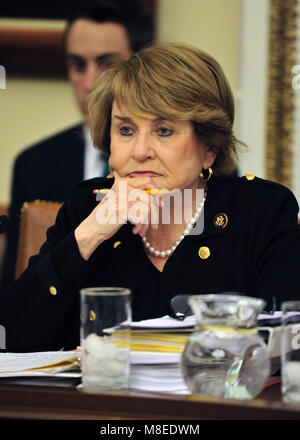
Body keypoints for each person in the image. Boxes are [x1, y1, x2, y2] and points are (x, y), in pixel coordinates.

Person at [0, 42, 299, 353]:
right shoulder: (85, 210)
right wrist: (90, 235)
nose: (140, 151)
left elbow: (289, 346)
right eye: (126, 130)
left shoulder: (260, 212)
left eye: (164, 131)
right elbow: (10, 336)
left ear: (209, 149)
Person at [1, 0, 154, 287]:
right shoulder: (33, 165)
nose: (90, 83)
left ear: (140, 65)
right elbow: (16, 289)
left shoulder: (180, 158)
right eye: (78, 65)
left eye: (107, 63)